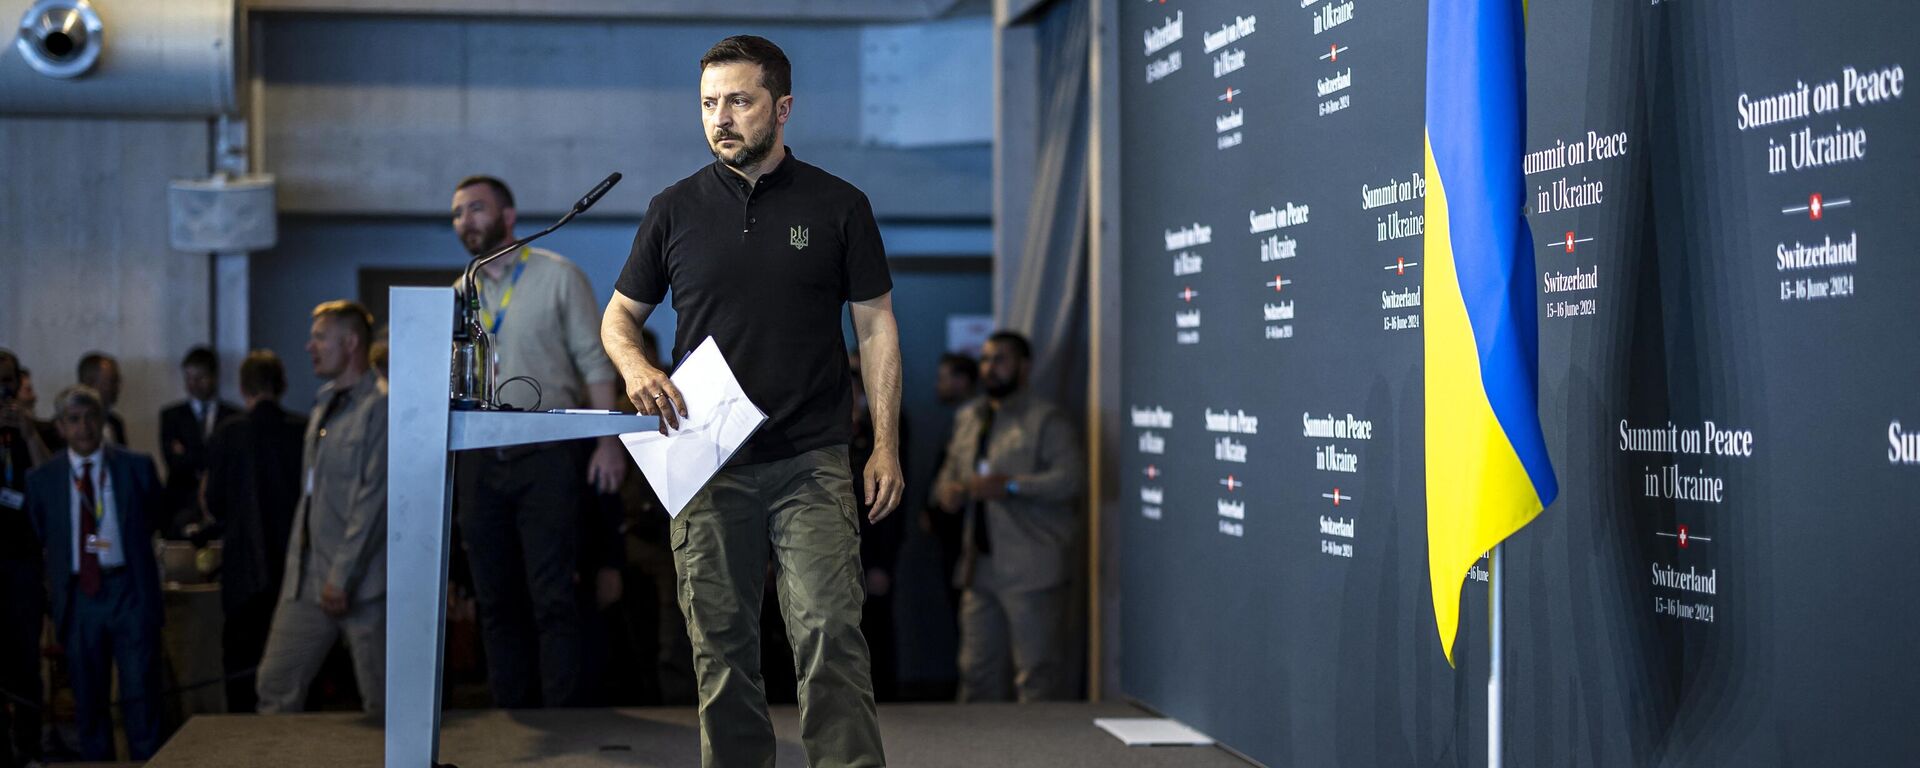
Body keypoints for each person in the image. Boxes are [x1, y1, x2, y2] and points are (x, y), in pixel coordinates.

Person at [600, 34, 903, 768]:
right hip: (704, 460)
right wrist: (638, 369)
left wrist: (885, 443)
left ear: (783, 107)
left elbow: (876, 326)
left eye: (738, 100)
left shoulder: (839, 205)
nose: (721, 117)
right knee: (721, 651)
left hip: (812, 458)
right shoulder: (672, 209)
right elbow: (617, 318)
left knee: (830, 633)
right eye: (709, 103)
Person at [449, 174, 625, 708]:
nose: (465, 221)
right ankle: (511, 715)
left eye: (476, 209)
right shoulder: (462, 290)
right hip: (481, 456)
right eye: (457, 213)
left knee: (553, 597)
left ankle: (565, 715)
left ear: (507, 217)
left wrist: (608, 441)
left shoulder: (557, 276)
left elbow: (595, 363)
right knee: (495, 600)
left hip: (547, 455)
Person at [932, 331, 1083, 703]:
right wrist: (947, 492)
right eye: (985, 360)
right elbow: (946, 477)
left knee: (1036, 676)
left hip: (1032, 567)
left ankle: (1038, 756)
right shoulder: (970, 418)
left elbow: (1072, 479)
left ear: (1024, 366)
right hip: (978, 566)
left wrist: (1012, 486)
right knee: (976, 671)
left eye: (1000, 359)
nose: (990, 368)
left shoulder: (1046, 419)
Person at [255, 301, 387, 715]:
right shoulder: (324, 404)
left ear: (350, 343)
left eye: (319, 337)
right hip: (308, 575)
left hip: (361, 582)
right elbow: (312, 496)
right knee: (274, 685)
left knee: (385, 708)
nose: (309, 346)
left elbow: (373, 502)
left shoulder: (380, 406)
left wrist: (342, 577)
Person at [25, 385, 166, 760]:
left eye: (91, 417)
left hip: (129, 592)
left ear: (103, 421)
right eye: (74, 420)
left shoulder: (136, 467)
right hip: (79, 596)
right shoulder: (42, 480)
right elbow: (38, 536)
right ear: (59, 427)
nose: (84, 427)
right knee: (89, 704)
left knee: (141, 698)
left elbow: (157, 517)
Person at [203, 350, 307, 713]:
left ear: (243, 386)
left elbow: (214, 503)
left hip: (242, 570)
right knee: (293, 671)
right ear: (282, 385)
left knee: (242, 670)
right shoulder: (303, 430)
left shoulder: (228, 433)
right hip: (293, 567)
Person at [0, 351, 50, 768]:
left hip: (23, 563)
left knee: (25, 660)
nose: (4, 390)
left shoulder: (36, 429)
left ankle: (30, 748)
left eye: (9, 381)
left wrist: (30, 435)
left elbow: (51, 486)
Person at [160, 346, 241, 536]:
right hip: (181, 506)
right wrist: (213, 461)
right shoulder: (171, 416)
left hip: (224, 507)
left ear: (214, 376)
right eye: (189, 378)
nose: (194, 384)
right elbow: (173, 463)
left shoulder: (233, 417)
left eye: (200, 378)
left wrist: (189, 454)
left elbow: (233, 464)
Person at [922, 352, 978, 629]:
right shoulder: (961, 417)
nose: (937, 385)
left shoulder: (977, 419)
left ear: (963, 380)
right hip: (949, 526)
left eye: (943, 378)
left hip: (966, 529)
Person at [75, 353, 125, 446]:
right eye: (112, 381)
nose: (117, 388)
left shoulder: (115, 423)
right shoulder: (69, 425)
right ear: (90, 384)